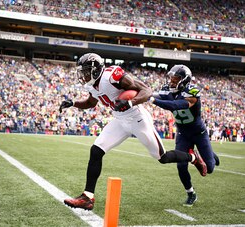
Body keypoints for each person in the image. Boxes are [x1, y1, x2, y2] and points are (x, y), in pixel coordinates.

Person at [59, 53, 207, 210]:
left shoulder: (112, 76)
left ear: (96, 69)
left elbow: (146, 91)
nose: (83, 75)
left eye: (86, 71)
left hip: (137, 118)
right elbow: (90, 102)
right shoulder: (91, 85)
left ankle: (193, 157)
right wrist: (73, 103)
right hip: (119, 120)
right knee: (96, 150)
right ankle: (87, 198)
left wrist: (130, 102)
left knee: (162, 157)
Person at [149, 64, 219, 207]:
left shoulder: (192, 92)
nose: (171, 82)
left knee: (210, 168)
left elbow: (176, 105)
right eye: (171, 79)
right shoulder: (167, 90)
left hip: (199, 133)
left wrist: (153, 101)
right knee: (181, 166)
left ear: (184, 81)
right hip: (183, 134)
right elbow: (151, 93)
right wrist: (144, 94)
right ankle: (191, 193)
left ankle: (209, 154)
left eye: (175, 80)